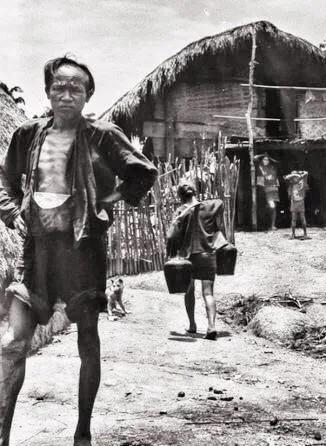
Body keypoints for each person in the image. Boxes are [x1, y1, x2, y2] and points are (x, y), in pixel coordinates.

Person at [0, 56, 157, 446]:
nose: (66, 95)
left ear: (87, 95)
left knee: (87, 339)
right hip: (36, 251)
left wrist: (107, 198)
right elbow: (5, 177)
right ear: (48, 91)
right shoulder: (27, 134)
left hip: (83, 251)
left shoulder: (103, 134)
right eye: (59, 87)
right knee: (14, 343)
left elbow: (143, 172)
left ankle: (82, 432)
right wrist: (10, 209)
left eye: (76, 88)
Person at [167, 179, 224, 340]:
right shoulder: (208, 206)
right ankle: (212, 327)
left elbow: (171, 236)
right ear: (194, 192)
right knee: (208, 293)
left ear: (180, 196)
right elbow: (220, 203)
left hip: (189, 256)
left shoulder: (180, 211)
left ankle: (192, 325)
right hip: (208, 255)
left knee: (189, 291)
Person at [255, 154, 279, 230]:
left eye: (267, 160)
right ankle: (269, 225)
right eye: (264, 159)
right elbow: (255, 158)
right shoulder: (260, 167)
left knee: (273, 207)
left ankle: (272, 225)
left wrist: (269, 157)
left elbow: (277, 162)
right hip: (265, 189)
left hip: (274, 189)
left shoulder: (272, 168)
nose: (266, 161)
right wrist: (263, 155)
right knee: (270, 207)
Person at [284, 170, 309, 239]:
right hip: (294, 202)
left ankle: (305, 234)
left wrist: (299, 174)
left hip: (301, 202)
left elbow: (306, 173)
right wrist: (294, 175)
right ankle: (293, 234)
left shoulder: (302, 182)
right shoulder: (291, 184)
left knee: (302, 218)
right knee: (293, 219)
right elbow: (286, 178)